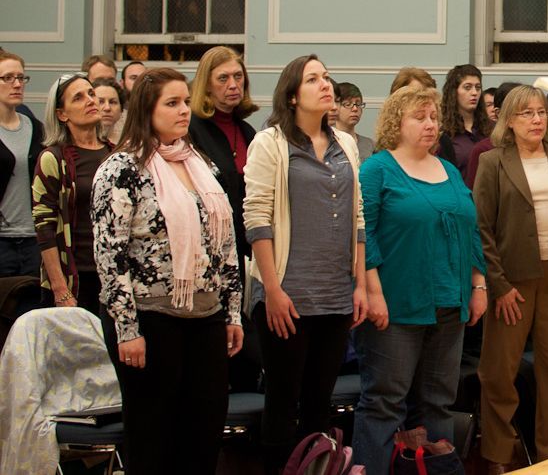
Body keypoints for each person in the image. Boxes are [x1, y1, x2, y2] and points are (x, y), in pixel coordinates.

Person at [90, 67, 243, 475]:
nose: (183, 111)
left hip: (206, 316)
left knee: (204, 429)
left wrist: (231, 312)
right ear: (147, 109)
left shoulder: (201, 164)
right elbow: (110, 255)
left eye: (185, 102)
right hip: (150, 319)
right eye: (171, 103)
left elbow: (224, 244)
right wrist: (127, 329)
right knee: (154, 435)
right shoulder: (121, 169)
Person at [242, 54, 369, 472]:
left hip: (334, 291)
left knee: (321, 402)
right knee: (283, 399)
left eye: (327, 77)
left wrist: (361, 285)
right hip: (287, 292)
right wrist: (273, 289)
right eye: (313, 79)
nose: (325, 84)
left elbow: (358, 218)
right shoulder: (271, 142)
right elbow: (257, 218)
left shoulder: (346, 144)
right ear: (293, 95)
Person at [352, 85, 487, 474]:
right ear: (397, 122)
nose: (431, 125)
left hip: (450, 302)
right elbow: (365, 235)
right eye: (420, 118)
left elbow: (470, 230)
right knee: (384, 402)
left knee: (439, 401)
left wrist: (478, 285)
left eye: (433, 118)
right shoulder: (377, 169)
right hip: (396, 304)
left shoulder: (446, 168)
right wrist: (373, 293)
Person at [472, 85, 548, 471]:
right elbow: (482, 229)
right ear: (509, 120)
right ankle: (498, 455)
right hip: (512, 282)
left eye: (541, 112)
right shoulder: (493, 162)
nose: (538, 119)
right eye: (527, 113)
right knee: (499, 373)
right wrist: (499, 285)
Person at [32, 73, 113, 315]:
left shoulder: (115, 154)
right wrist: (60, 289)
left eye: (91, 94)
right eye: (78, 98)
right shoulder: (53, 158)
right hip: (73, 276)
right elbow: (44, 227)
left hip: (111, 274)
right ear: (62, 114)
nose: (90, 100)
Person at [188, 46, 258, 268]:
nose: (233, 84)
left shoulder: (248, 132)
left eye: (238, 76)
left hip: (244, 246)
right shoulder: (191, 129)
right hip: (206, 250)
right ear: (206, 85)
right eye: (223, 78)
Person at [0, 49, 43, 277]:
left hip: (33, 239)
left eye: (21, 77)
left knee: (33, 310)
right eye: (8, 78)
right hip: (2, 242)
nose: (17, 84)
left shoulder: (35, 128)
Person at [438, 64, 489, 176]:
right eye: (467, 87)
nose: (474, 92)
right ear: (454, 91)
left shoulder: (491, 128)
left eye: (478, 87)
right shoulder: (443, 133)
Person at [333, 81, 374, 162]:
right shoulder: (328, 143)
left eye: (358, 104)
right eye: (348, 104)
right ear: (335, 107)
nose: (355, 109)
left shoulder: (370, 145)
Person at [92, 77, 126, 144]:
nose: (107, 108)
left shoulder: (130, 145)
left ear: (121, 110)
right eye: (100, 102)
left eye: (113, 102)